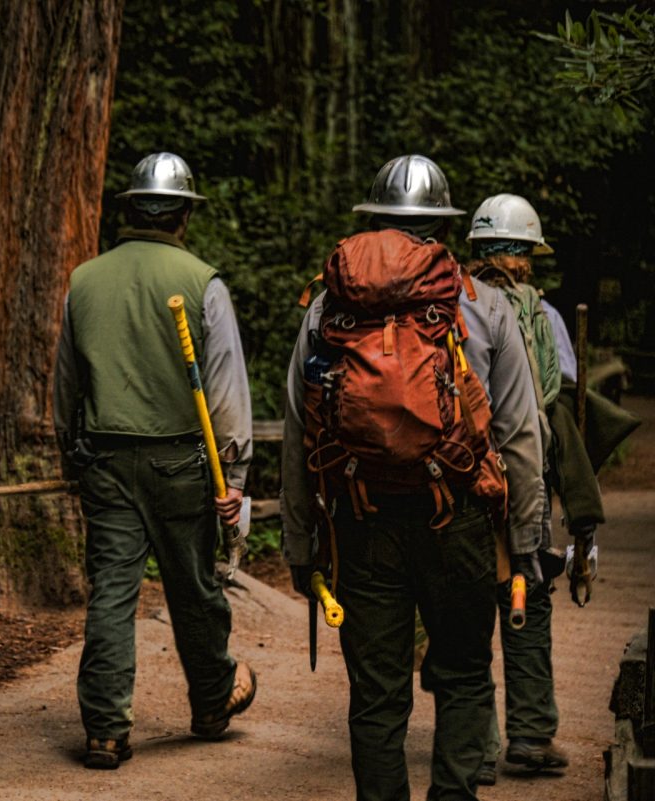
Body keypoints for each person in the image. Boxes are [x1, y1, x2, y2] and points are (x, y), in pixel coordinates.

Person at [281, 155, 545, 800]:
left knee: (377, 695)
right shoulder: (481, 305)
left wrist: (299, 543)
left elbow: (299, 430)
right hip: (456, 520)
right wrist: (527, 542)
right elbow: (518, 434)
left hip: (362, 521)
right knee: (462, 674)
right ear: (441, 224)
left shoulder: (326, 306)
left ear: (372, 217)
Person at [53, 152, 255, 769]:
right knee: (193, 589)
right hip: (181, 465)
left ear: (131, 209)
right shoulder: (202, 282)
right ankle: (213, 700)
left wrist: (70, 456)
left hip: (106, 461)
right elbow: (226, 393)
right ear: (185, 216)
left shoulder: (84, 280)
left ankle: (107, 728)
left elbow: (67, 384)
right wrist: (236, 480)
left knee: (112, 593)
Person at [464, 193, 597, 781]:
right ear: (526, 256)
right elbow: (558, 405)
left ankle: (470, 746)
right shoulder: (542, 318)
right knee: (526, 597)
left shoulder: (449, 302)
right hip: (523, 475)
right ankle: (531, 734)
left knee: (466, 603)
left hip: (462, 476)